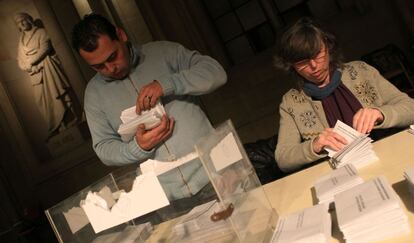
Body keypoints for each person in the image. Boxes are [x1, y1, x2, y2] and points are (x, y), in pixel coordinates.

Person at [71, 14, 227, 202]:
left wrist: (167, 84)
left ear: (121, 35)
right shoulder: (94, 94)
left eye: (113, 56)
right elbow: (104, 148)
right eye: (98, 67)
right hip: (164, 197)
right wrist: (138, 147)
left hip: (215, 173)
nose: (110, 68)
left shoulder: (163, 52)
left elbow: (216, 73)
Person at [273, 17, 414, 172]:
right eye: (302, 62)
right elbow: (283, 158)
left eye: (318, 54)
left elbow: (411, 108)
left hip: (393, 157)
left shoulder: (362, 71)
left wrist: (380, 113)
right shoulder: (291, 102)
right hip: (344, 175)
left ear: (328, 46)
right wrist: (314, 145)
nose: (314, 66)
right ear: (291, 65)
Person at [15, 12, 78, 137]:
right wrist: (26, 66)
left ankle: (68, 122)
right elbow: (20, 60)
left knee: (57, 95)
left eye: (23, 20)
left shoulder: (40, 32)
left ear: (29, 20)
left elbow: (45, 48)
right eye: (18, 23)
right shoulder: (21, 41)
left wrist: (30, 62)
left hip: (48, 69)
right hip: (35, 76)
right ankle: (56, 126)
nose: (22, 23)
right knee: (41, 101)